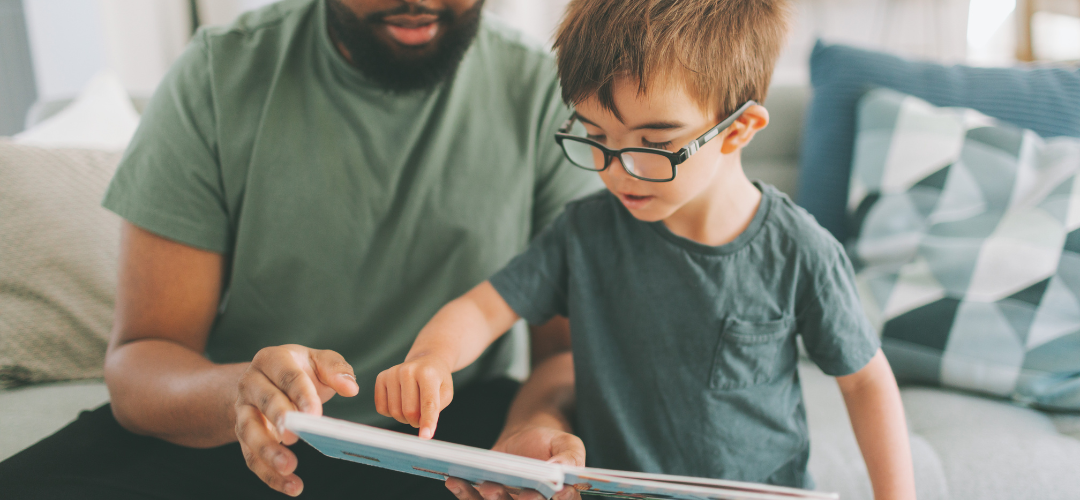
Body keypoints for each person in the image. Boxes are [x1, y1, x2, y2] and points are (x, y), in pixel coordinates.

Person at [0, 0, 599, 498]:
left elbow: (565, 354)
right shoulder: (219, 73)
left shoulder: (544, 92)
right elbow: (140, 360)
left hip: (450, 437)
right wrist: (239, 395)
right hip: (242, 431)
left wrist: (532, 430)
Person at [377, 0, 919, 499]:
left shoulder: (800, 251)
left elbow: (866, 381)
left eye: (655, 145)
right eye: (596, 135)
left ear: (739, 130)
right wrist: (431, 358)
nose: (618, 170)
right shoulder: (586, 231)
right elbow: (484, 307)